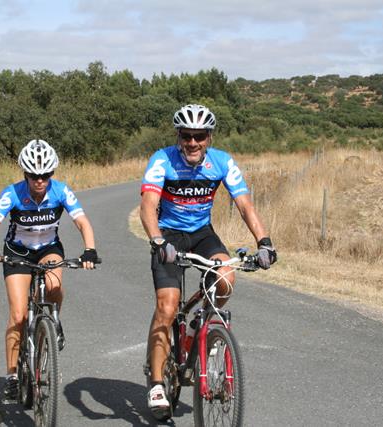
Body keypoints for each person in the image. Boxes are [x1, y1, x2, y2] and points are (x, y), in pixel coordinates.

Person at [140, 104, 278, 412]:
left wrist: (264, 242)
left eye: (199, 136)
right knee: (167, 305)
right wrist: (157, 240)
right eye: (186, 136)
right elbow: (148, 205)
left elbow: (244, 205)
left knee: (226, 281)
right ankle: (158, 383)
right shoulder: (162, 160)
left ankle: (193, 329)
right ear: (179, 136)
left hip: (203, 234)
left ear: (209, 137)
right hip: (169, 236)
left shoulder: (222, 162)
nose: (192, 143)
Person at [0, 139, 98, 400]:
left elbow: (82, 222)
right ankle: (11, 374)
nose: (40, 181)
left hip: (48, 249)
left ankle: (51, 322)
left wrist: (90, 249)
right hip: (18, 252)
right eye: (34, 176)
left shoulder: (61, 191)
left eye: (45, 175)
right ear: (25, 173)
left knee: (54, 287)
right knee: (19, 315)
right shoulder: (12, 193)